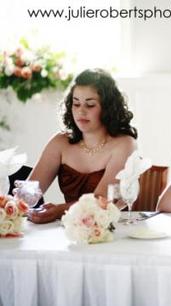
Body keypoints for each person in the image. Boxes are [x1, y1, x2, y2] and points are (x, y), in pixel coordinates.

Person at [28, 68, 137, 223]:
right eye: (76, 104)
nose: (81, 112)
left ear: (108, 108)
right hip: (69, 230)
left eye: (90, 105)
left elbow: (102, 202)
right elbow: (30, 192)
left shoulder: (125, 144)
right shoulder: (60, 142)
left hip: (112, 228)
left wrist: (59, 210)